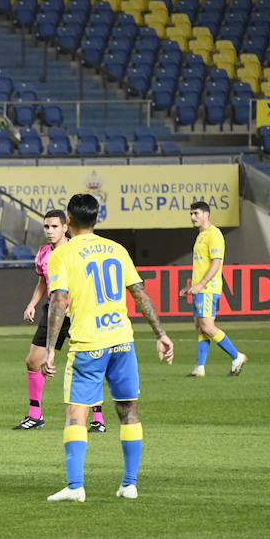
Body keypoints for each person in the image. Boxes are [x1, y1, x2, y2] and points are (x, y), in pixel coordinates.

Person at [43, 193, 174, 502]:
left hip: (89, 343)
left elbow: (59, 302)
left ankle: (75, 486)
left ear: (68, 221)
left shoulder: (62, 254)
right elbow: (139, 293)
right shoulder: (117, 249)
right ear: (97, 219)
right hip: (122, 341)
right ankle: (129, 484)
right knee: (128, 410)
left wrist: (50, 349)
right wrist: (161, 333)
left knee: (77, 414)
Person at [14, 209, 105, 431]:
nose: (49, 231)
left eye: (54, 226)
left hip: (78, 312)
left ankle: (98, 418)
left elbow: (90, 280)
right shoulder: (43, 252)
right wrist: (32, 304)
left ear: (65, 227)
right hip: (54, 312)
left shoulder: (78, 250)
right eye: (46, 226)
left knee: (89, 361)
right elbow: (43, 282)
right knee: (33, 361)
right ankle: (35, 415)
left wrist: (75, 304)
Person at [186, 200, 246, 378]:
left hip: (207, 289)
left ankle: (237, 356)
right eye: (191, 214)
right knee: (200, 327)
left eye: (196, 213)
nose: (193, 217)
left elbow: (216, 263)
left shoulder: (214, 234)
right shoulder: (201, 236)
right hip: (199, 289)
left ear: (206, 215)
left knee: (207, 326)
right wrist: (190, 287)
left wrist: (200, 285)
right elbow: (201, 265)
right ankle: (200, 367)